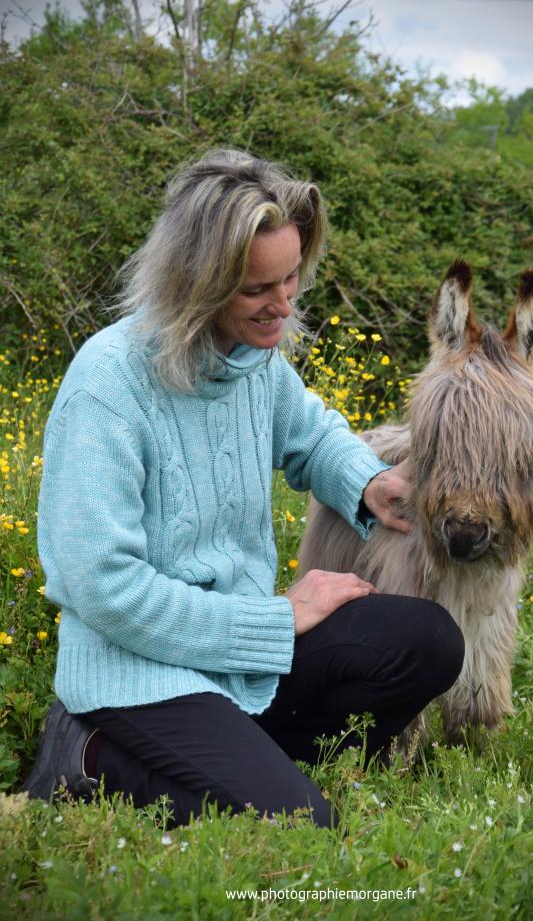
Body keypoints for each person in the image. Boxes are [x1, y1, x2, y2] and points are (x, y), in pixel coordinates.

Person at [23, 149, 464, 830]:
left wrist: (366, 480)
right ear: (195, 282)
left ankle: (262, 764)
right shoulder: (107, 386)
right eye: (258, 289)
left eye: (292, 278)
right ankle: (86, 755)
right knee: (297, 825)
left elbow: (308, 432)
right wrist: (278, 619)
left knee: (430, 639)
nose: (283, 305)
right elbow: (103, 589)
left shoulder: (250, 357)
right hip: (137, 676)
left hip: (237, 654)